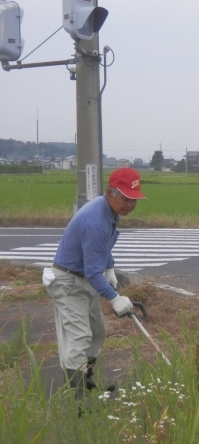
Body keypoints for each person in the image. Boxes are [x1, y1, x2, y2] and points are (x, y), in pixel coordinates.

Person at [43, 167, 147, 406]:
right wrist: (114, 298)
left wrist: (109, 267)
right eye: (125, 198)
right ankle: (78, 401)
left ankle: (87, 379)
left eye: (134, 200)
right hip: (68, 282)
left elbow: (102, 250)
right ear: (109, 193)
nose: (130, 204)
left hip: (84, 280)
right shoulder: (95, 221)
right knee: (78, 337)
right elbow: (92, 271)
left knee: (97, 332)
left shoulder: (109, 211)